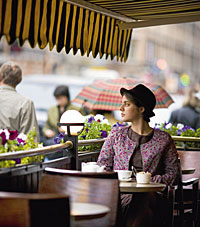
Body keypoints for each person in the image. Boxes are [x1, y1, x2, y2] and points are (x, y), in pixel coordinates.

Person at [97, 84, 180, 227]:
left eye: (127, 104)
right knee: (138, 207)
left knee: (142, 198)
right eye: (121, 104)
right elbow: (102, 166)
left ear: (141, 109)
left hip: (153, 197)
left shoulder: (164, 139)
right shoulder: (116, 135)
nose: (121, 109)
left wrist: (147, 181)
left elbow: (174, 174)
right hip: (120, 196)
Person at [0, 62, 39, 141]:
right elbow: (30, 139)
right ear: (20, 80)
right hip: (12, 152)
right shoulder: (26, 103)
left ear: (0, 77)